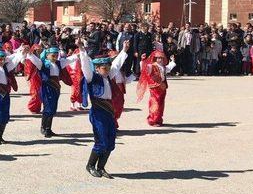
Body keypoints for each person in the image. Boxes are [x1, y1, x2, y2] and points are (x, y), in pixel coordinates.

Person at [78, 38, 128, 178]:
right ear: (97, 69)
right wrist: (82, 51)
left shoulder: (108, 76)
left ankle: (101, 167)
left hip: (109, 112)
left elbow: (116, 65)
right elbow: (86, 68)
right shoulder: (92, 78)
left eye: (107, 67)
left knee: (111, 140)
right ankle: (90, 166)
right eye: (103, 68)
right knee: (101, 140)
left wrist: (124, 50)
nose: (107, 70)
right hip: (98, 113)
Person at [24, 46, 76, 137]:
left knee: (53, 108)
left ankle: (48, 128)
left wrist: (80, 53)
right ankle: (44, 128)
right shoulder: (42, 64)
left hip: (56, 88)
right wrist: (29, 53)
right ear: (47, 55)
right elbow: (34, 59)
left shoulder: (59, 63)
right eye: (53, 55)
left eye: (56, 55)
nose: (55, 57)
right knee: (48, 108)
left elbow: (70, 59)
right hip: (47, 88)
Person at [137, 50, 177, 126]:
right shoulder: (152, 66)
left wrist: (172, 61)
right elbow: (145, 68)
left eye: (161, 58)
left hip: (163, 87)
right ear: (155, 58)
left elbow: (169, 68)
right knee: (154, 103)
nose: (160, 59)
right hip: (155, 88)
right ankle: (152, 120)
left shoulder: (163, 67)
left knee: (161, 104)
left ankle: (158, 119)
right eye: (158, 58)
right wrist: (143, 60)